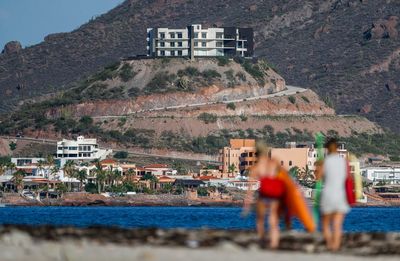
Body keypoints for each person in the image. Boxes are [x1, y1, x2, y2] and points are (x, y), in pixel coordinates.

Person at [243, 142, 287, 249]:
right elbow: (284, 177)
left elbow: (250, 190)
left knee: (260, 220)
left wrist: (247, 205)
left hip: (264, 194)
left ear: (256, 153)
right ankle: (274, 244)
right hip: (275, 195)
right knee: (273, 220)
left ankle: (262, 241)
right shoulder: (274, 163)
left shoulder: (256, 168)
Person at [316, 138, 350, 251]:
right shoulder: (344, 162)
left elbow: (318, 178)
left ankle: (330, 244)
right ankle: (336, 246)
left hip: (328, 194)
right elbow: (347, 177)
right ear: (337, 148)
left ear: (327, 149)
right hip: (341, 195)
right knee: (337, 224)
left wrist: (317, 167)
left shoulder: (325, 161)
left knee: (325, 223)